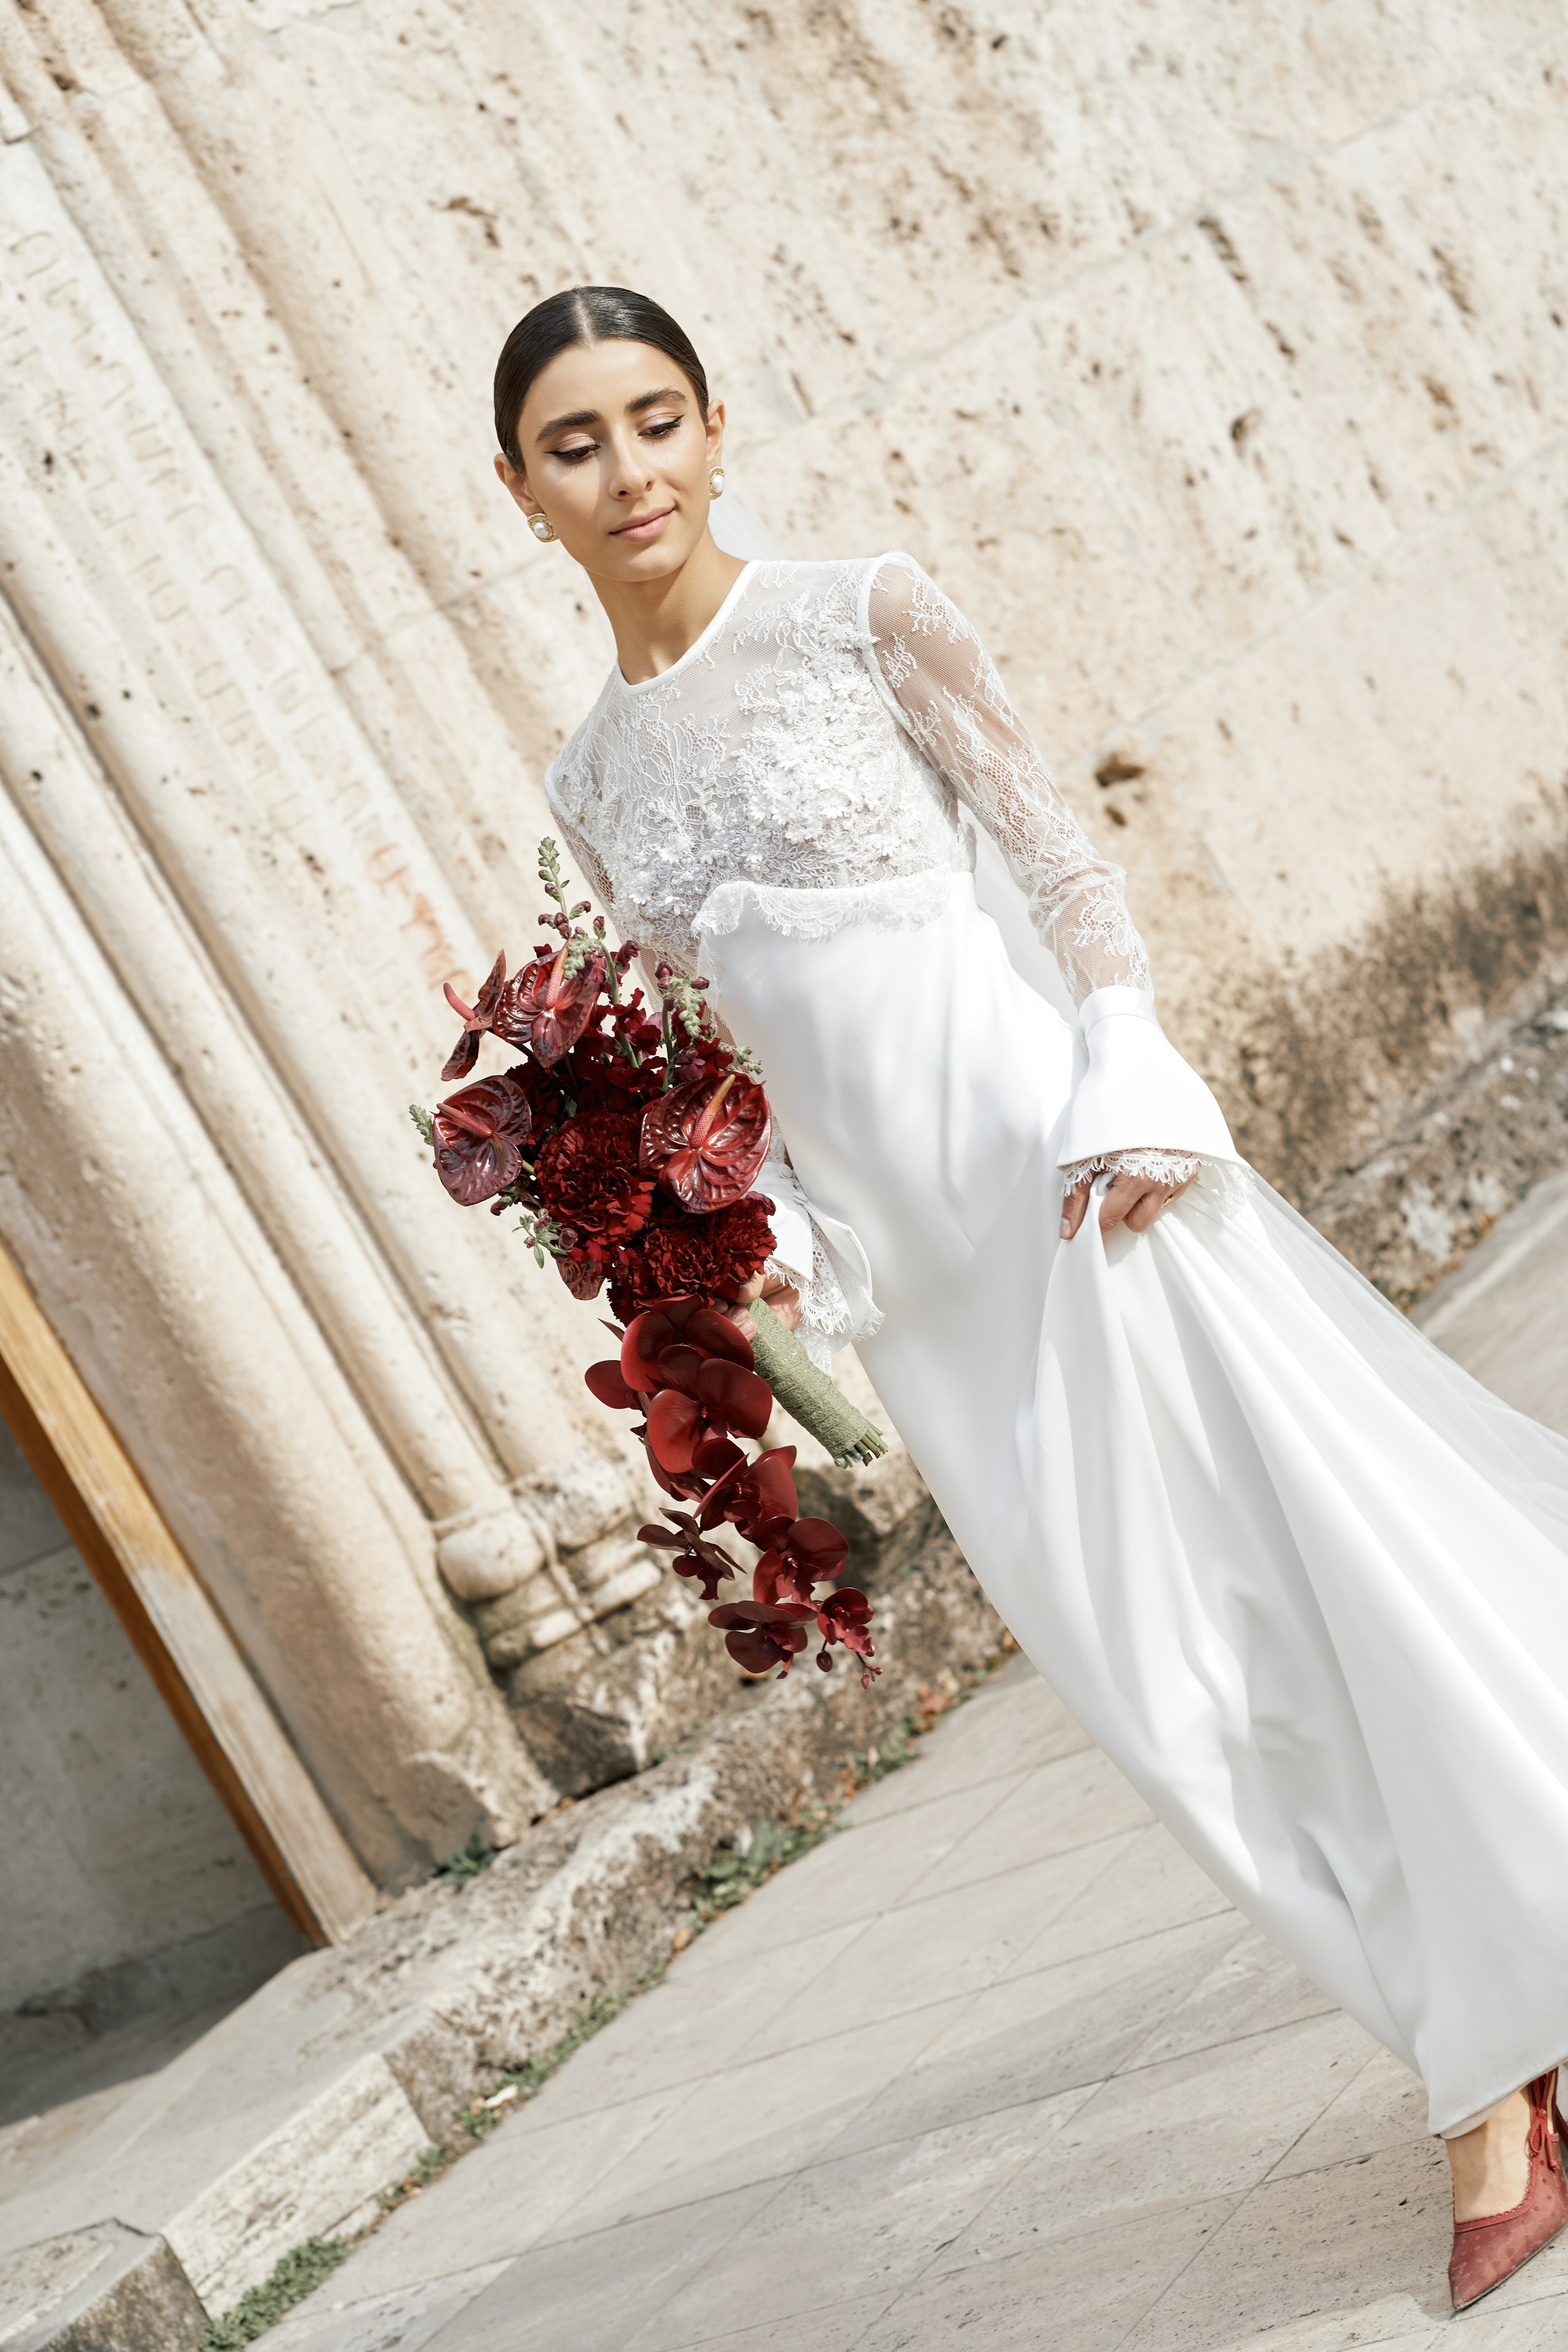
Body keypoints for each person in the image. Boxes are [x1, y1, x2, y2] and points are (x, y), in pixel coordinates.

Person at [491, 285, 1568, 2312]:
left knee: (1298, 1586)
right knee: (1158, 1700)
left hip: (1082, 1186)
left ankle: (1489, 2093)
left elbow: (1054, 848)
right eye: (577, 443)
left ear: (718, 430)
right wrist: (762, 1255)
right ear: (520, 490)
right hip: (926, 1292)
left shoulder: (857, 612)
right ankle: (1501, 2019)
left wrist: (1130, 1070)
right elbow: (721, 1070)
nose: (628, 471)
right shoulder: (592, 775)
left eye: (655, 421)